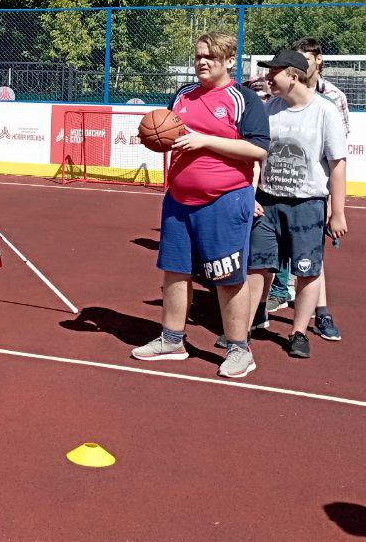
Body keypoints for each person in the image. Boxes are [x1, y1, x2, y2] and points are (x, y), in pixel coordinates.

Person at [131, 31, 269, 379]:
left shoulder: (244, 99)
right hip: (178, 199)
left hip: (224, 199)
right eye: (198, 56)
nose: (202, 62)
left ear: (229, 60)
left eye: (210, 56)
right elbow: (167, 132)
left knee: (226, 276)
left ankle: (240, 349)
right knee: (175, 271)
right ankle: (172, 340)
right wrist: (153, 136)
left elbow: (258, 149)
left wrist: (206, 141)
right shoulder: (181, 96)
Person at [245, 49, 349, 359]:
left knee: (307, 270)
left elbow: (337, 164)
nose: (267, 77)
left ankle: (298, 332)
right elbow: (255, 157)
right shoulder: (268, 109)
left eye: (273, 71)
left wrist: (338, 211)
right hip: (267, 201)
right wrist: (251, 195)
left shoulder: (324, 111)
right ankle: (247, 324)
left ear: (293, 75)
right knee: (258, 267)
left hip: (307, 204)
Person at [289, 37, 349, 342]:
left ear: (318, 60)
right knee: (272, 253)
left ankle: (321, 313)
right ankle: (262, 308)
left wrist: (334, 205)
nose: (300, 66)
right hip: (282, 186)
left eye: (306, 60)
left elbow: (338, 153)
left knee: (313, 256)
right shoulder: (283, 91)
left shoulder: (334, 98)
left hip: (316, 189)